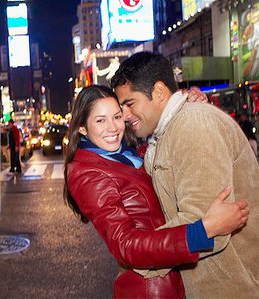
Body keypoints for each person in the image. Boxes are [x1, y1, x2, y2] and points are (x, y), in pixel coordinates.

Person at [65, 85, 249, 298]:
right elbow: (126, 245)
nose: (112, 127)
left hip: (170, 280)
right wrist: (203, 230)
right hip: (150, 289)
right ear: (82, 128)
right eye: (100, 120)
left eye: (116, 117)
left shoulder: (126, 154)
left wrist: (185, 104)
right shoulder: (87, 174)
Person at [111, 52, 259, 298]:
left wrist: (135, 252)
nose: (125, 116)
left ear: (159, 93)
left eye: (130, 104)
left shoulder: (193, 124)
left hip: (231, 287)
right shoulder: (166, 132)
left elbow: (208, 226)